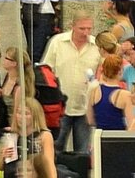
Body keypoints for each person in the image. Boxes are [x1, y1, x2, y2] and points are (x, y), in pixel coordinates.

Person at [42, 12, 99, 155]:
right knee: (55, 150)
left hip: (86, 107)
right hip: (60, 108)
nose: (86, 32)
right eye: (82, 28)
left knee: (83, 153)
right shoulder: (57, 42)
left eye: (89, 29)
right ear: (72, 26)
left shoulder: (96, 46)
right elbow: (46, 71)